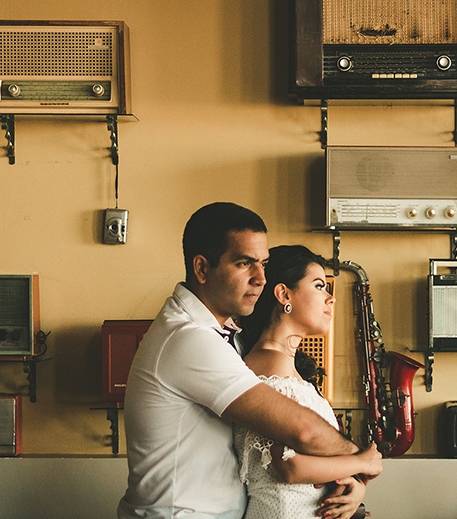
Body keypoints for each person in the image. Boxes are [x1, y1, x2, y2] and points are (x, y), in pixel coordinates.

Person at [118, 203, 379, 519]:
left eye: (264, 264)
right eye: (244, 263)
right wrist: (362, 461)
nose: (260, 279)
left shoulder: (229, 337)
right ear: (201, 268)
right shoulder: (188, 338)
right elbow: (302, 434)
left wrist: (354, 477)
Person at [235, 245, 381, 519]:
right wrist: (362, 462)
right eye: (319, 286)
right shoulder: (271, 365)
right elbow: (290, 467)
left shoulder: (286, 367)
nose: (331, 298)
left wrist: (355, 485)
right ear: (284, 294)